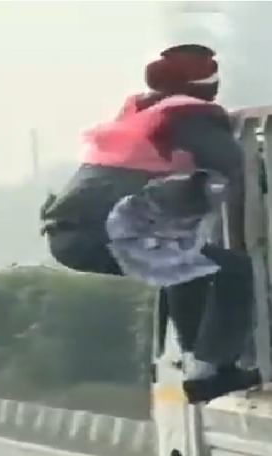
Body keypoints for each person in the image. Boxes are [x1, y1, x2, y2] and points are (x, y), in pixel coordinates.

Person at [41, 44, 260, 403]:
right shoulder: (190, 114)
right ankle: (211, 370)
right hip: (109, 231)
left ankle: (198, 362)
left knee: (190, 266)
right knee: (233, 270)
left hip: (69, 233)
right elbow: (232, 163)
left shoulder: (138, 113)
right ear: (204, 87)